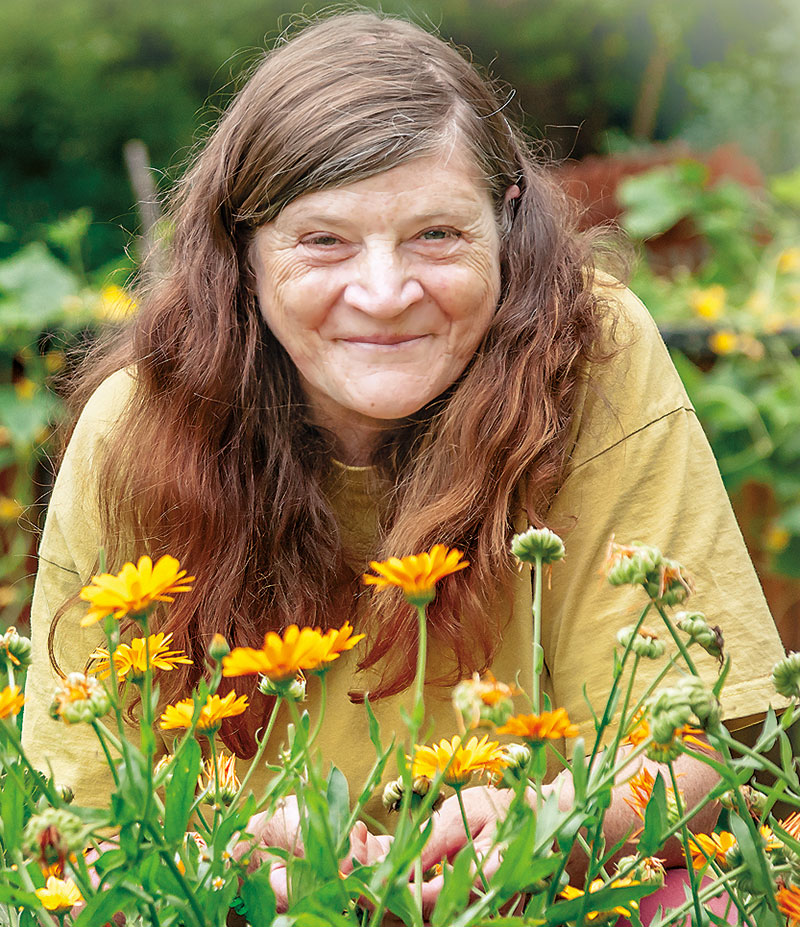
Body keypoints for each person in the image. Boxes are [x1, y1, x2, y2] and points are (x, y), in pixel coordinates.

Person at [21, 9, 785, 918]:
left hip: (543, 889)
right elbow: (77, 811)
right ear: (244, 250)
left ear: (505, 222)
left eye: (436, 235)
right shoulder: (137, 426)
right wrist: (223, 864)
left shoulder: (593, 358)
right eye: (323, 240)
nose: (383, 295)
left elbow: (703, 744)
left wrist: (544, 818)